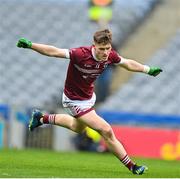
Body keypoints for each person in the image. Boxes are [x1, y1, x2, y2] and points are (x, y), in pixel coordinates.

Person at [16, 29, 162, 175]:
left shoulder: (110, 56)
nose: (105, 53)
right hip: (73, 100)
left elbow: (127, 63)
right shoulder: (80, 54)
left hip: (88, 97)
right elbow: (54, 51)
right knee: (106, 130)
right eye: (101, 49)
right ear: (94, 45)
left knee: (77, 127)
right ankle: (132, 166)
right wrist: (30, 45)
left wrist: (147, 69)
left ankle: (41, 118)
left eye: (108, 48)